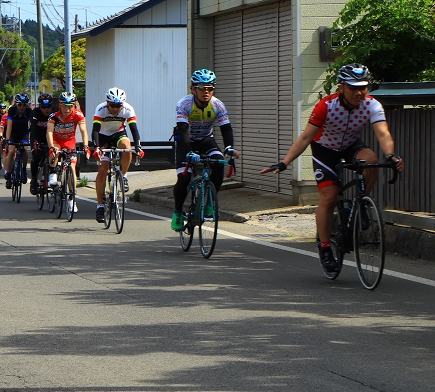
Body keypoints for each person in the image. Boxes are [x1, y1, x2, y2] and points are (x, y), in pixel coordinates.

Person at [259, 63, 404, 272]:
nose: (359, 92)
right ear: (341, 87)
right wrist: (284, 162)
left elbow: (383, 133)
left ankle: (361, 203)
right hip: (324, 149)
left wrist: (391, 155)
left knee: (371, 159)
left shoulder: (372, 105)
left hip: (350, 146)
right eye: (354, 88)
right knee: (329, 197)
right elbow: (305, 138)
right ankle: (325, 247)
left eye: (363, 87)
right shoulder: (326, 106)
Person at [171, 70, 240, 232]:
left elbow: (226, 129)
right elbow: (182, 129)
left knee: (218, 163)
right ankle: (178, 212)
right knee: (184, 177)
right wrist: (189, 152)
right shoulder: (184, 104)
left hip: (205, 141)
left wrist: (229, 148)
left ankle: (209, 203)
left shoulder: (218, 105)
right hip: (185, 141)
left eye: (210, 88)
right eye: (201, 88)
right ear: (193, 89)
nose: (206, 92)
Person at [91, 87, 144, 223]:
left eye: (118, 106)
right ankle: (100, 206)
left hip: (118, 134)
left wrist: (138, 146)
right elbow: (95, 130)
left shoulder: (128, 109)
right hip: (102, 137)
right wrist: (97, 147)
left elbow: (134, 129)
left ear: (123, 104)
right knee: (103, 169)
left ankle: (124, 176)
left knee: (127, 147)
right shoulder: (101, 109)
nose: (115, 109)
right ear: (107, 102)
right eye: (112, 105)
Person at [46, 91, 90, 213]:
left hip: (70, 142)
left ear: (74, 105)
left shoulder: (78, 114)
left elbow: (83, 131)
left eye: (70, 105)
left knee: (72, 168)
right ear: (60, 105)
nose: (67, 108)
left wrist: (86, 146)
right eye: (64, 105)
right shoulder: (54, 116)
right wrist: (51, 147)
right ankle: (53, 172)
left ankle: (71, 198)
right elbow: (49, 132)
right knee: (54, 151)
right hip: (57, 140)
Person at [28, 94, 55, 195]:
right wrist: (35, 142)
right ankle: (34, 179)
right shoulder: (35, 112)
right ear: (40, 106)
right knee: (36, 156)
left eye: (49, 107)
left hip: (51, 137)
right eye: (44, 107)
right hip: (38, 137)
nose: (46, 110)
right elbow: (33, 129)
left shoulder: (55, 112)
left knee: (53, 155)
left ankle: (53, 174)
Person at [4, 94, 32, 189]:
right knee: (11, 151)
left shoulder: (28, 111)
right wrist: (7, 140)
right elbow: (9, 126)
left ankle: (23, 169)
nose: (22, 107)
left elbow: (32, 126)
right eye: (20, 105)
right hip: (13, 134)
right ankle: (8, 174)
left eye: (24, 105)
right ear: (16, 104)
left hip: (23, 133)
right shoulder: (12, 110)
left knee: (24, 150)